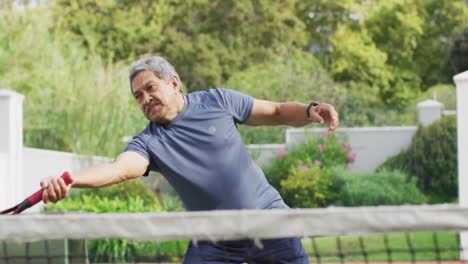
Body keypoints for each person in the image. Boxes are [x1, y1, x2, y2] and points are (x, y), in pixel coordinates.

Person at [40, 56, 339, 263]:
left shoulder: (218, 101)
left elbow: (274, 112)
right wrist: (72, 180)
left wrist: (308, 111)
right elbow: (120, 169)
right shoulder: (148, 141)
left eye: (150, 88)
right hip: (213, 238)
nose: (145, 99)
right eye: (137, 96)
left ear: (174, 83)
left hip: (268, 220)